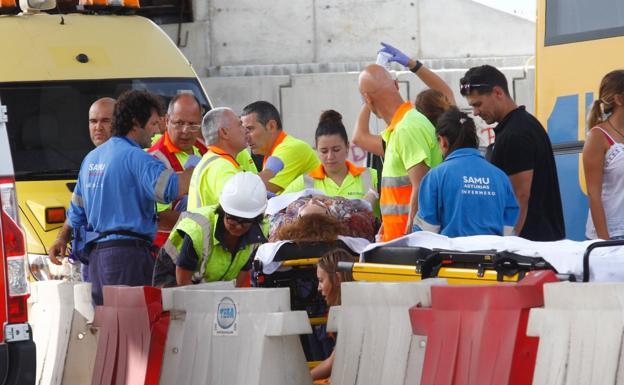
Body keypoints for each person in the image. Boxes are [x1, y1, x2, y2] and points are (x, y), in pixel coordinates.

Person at [67, 90, 193, 305]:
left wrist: (61, 238)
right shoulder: (137, 158)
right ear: (136, 123)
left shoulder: (91, 158)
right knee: (133, 326)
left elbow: (76, 211)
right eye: (153, 124)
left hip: (98, 258)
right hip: (127, 257)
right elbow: (169, 189)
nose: (155, 132)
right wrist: (200, 167)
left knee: (108, 326)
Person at [460, 65, 565, 241]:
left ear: (498, 93)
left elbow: (519, 196)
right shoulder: (524, 124)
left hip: (530, 245)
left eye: (478, 104)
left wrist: (507, 242)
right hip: (540, 241)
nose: (476, 112)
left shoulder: (515, 134)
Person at [355, 65, 443, 242]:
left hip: (411, 244)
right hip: (401, 241)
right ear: (396, 84)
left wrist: (409, 235)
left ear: (367, 99)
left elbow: (421, 186)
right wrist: (385, 228)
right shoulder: (400, 128)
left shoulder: (407, 128)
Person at [413, 107, 519, 237]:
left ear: (443, 141)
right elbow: (509, 229)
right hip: (494, 255)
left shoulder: (436, 176)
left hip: (450, 256)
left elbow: (426, 233)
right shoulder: (500, 177)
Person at [155, 172, 268, 287]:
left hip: (211, 281)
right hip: (173, 278)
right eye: (233, 219)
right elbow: (183, 283)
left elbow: (241, 278)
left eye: (245, 221)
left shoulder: (259, 232)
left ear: (255, 219)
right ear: (223, 211)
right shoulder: (198, 229)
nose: (238, 226)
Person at [352, 43, 455, 159]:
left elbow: (359, 137)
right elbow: (447, 93)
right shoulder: (424, 124)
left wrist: (371, 93)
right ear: (396, 84)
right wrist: (412, 64)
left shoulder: (401, 135)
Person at [48, 97, 116, 267]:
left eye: (106, 121)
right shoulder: (90, 160)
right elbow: (77, 206)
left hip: (115, 252)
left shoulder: (127, 158)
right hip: (91, 253)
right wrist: (62, 237)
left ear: (119, 122)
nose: (98, 127)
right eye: (93, 121)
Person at [283, 110, 379, 208]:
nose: (330, 156)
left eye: (336, 150)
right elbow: (274, 210)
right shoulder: (305, 182)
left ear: (347, 147)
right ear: (316, 150)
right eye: (324, 151)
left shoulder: (371, 177)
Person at [148, 93, 208, 246]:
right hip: (169, 249)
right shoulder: (155, 159)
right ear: (167, 120)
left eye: (192, 124)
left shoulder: (204, 150)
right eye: (179, 123)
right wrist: (207, 220)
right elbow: (159, 216)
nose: (186, 130)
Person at [241, 100, 320, 194]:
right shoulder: (272, 152)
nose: (246, 137)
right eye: (243, 131)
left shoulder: (290, 148)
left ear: (271, 126)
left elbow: (255, 191)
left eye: (250, 129)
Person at [583, 70, 624, 240]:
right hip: (612, 235)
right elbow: (594, 195)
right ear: (619, 99)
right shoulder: (597, 136)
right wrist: (604, 242)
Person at [378, 42, 456, 125]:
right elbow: (446, 92)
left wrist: (370, 97)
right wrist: (411, 64)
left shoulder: (408, 132)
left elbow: (363, 135)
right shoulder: (455, 126)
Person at [187, 107, 249, 210]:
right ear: (224, 132)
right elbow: (242, 207)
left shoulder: (215, 161)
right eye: (240, 125)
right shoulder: (220, 167)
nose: (245, 129)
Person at [310, 248, 357, 383]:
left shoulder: (349, 312)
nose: (319, 288)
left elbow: (332, 363)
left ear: (337, 278)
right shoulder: (352, 306)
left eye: (321, 280)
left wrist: (300, 379)